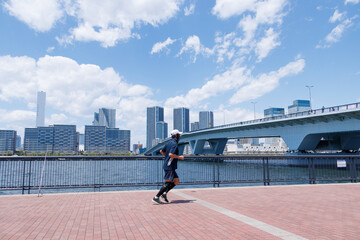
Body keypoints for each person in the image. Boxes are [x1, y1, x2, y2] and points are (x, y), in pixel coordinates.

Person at [152, 129, 184, 204]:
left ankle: (164, 193)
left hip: (169, 165)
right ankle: (156, 197)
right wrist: (180, 157)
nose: (180, 136)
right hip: (170, 166)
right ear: (176, 135)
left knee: (176, 181)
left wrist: (166, 158)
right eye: (179, 135)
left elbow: (161, 151)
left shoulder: (169, 143)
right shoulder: (174, 144)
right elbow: (170, 154)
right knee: (168, 182)